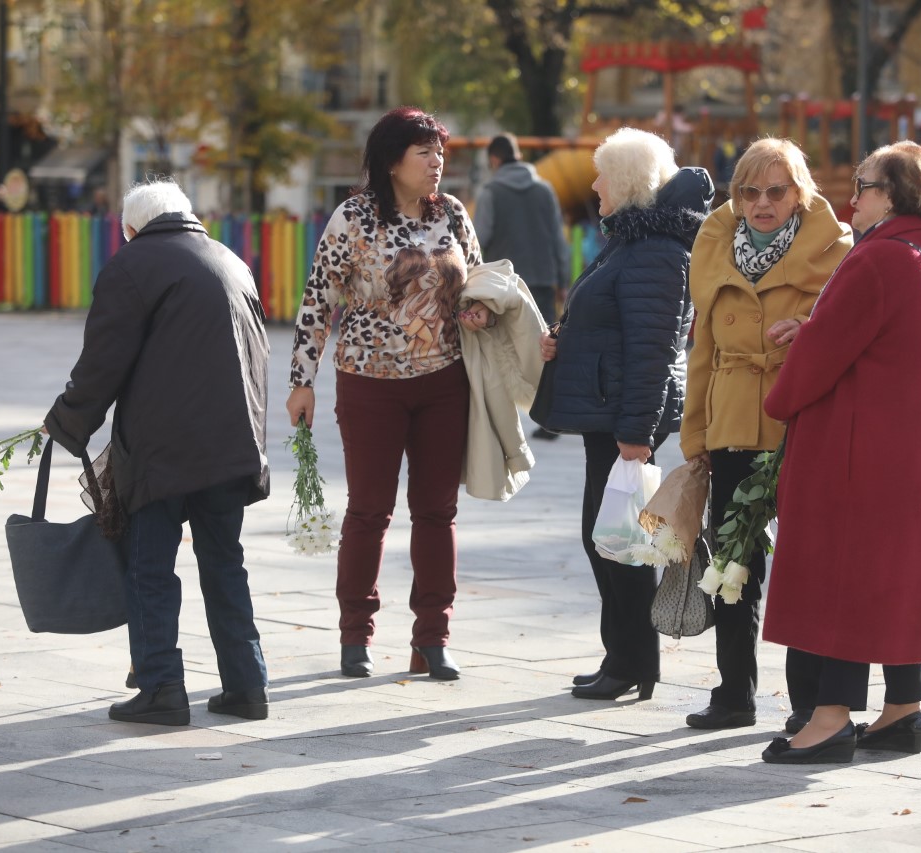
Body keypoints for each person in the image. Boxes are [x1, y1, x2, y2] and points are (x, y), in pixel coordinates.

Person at [759, 141, 921, 764]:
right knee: (892, 579)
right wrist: (816, 328)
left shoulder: (875, 259)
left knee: (839, 580)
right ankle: (903, 709)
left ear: (895, 193)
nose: (854, 197)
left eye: (865, 185)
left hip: (855, 453)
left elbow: (818, 365)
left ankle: (830, 718)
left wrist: (782, 394)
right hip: (909, 454)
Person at [44, 178, 272, 726]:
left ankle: (162, 688)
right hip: (230, 445)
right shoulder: (231, 262)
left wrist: (67, 421)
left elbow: (103, 361)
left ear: (129, 229)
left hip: (163, 450)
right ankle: (247, 687)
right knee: (224, 563)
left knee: (149, 567)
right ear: (188, 215)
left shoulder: (132, 265)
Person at [285, 107, 489, 682]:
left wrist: (477, 311)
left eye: (440, 151)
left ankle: (433, 637)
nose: (436, 162)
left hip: (444, 383)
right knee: (369, 511)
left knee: (437, 512)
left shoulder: (452, 213)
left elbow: (477, 282)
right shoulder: (355, 218)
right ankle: (356, 636)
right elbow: (317, 301)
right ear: (392, 161)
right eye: (424, 152)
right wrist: (302, 381)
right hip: (370, 384)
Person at [679, 138, 852, 732]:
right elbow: (701, 348)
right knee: (731, 563)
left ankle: (811, 703)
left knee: (808, 565)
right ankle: (734, 693)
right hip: (730, 417)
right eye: (749, 191)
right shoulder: (714, 246)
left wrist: (807, 329)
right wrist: (694, 433)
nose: (761, 202)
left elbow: (846, 336)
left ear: (800, 192)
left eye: (776, 190)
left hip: (799, 419)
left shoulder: (834, 250)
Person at [535, 128, 713, 702]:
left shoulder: (656, 250)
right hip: (608, 413)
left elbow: (653, 350)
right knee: (609, 539)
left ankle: (633, 662)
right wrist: (568, 337)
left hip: (624, 421)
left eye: (602, 174)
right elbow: (612, 321)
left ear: (628, 182)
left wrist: (636, 433)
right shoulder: (629, 242)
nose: (593, 184)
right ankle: (626, 657)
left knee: (621, 545)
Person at [473, 133, 572, 441]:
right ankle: (550, 419)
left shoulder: (491, 192)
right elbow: (558, 238)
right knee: (544, 351)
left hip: (503, 285)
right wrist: (563, 280)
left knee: (499, 351)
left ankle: (500, 420)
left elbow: (480, 239)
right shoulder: (545, 190)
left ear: (494, 160)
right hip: (541, 279)